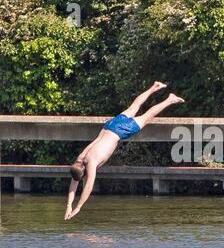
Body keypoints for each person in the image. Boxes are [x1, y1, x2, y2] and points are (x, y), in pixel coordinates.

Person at [64, 82, 184, 220]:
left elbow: (88, 186)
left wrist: (78, 207)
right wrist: (68, 205)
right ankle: (154, 87)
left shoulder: (90, 163)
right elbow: (74, 182)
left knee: (146, 117)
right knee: (133, 107)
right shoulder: (80, 159)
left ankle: (170, 99)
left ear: (84, 171)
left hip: (119, 131)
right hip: (110, 126)